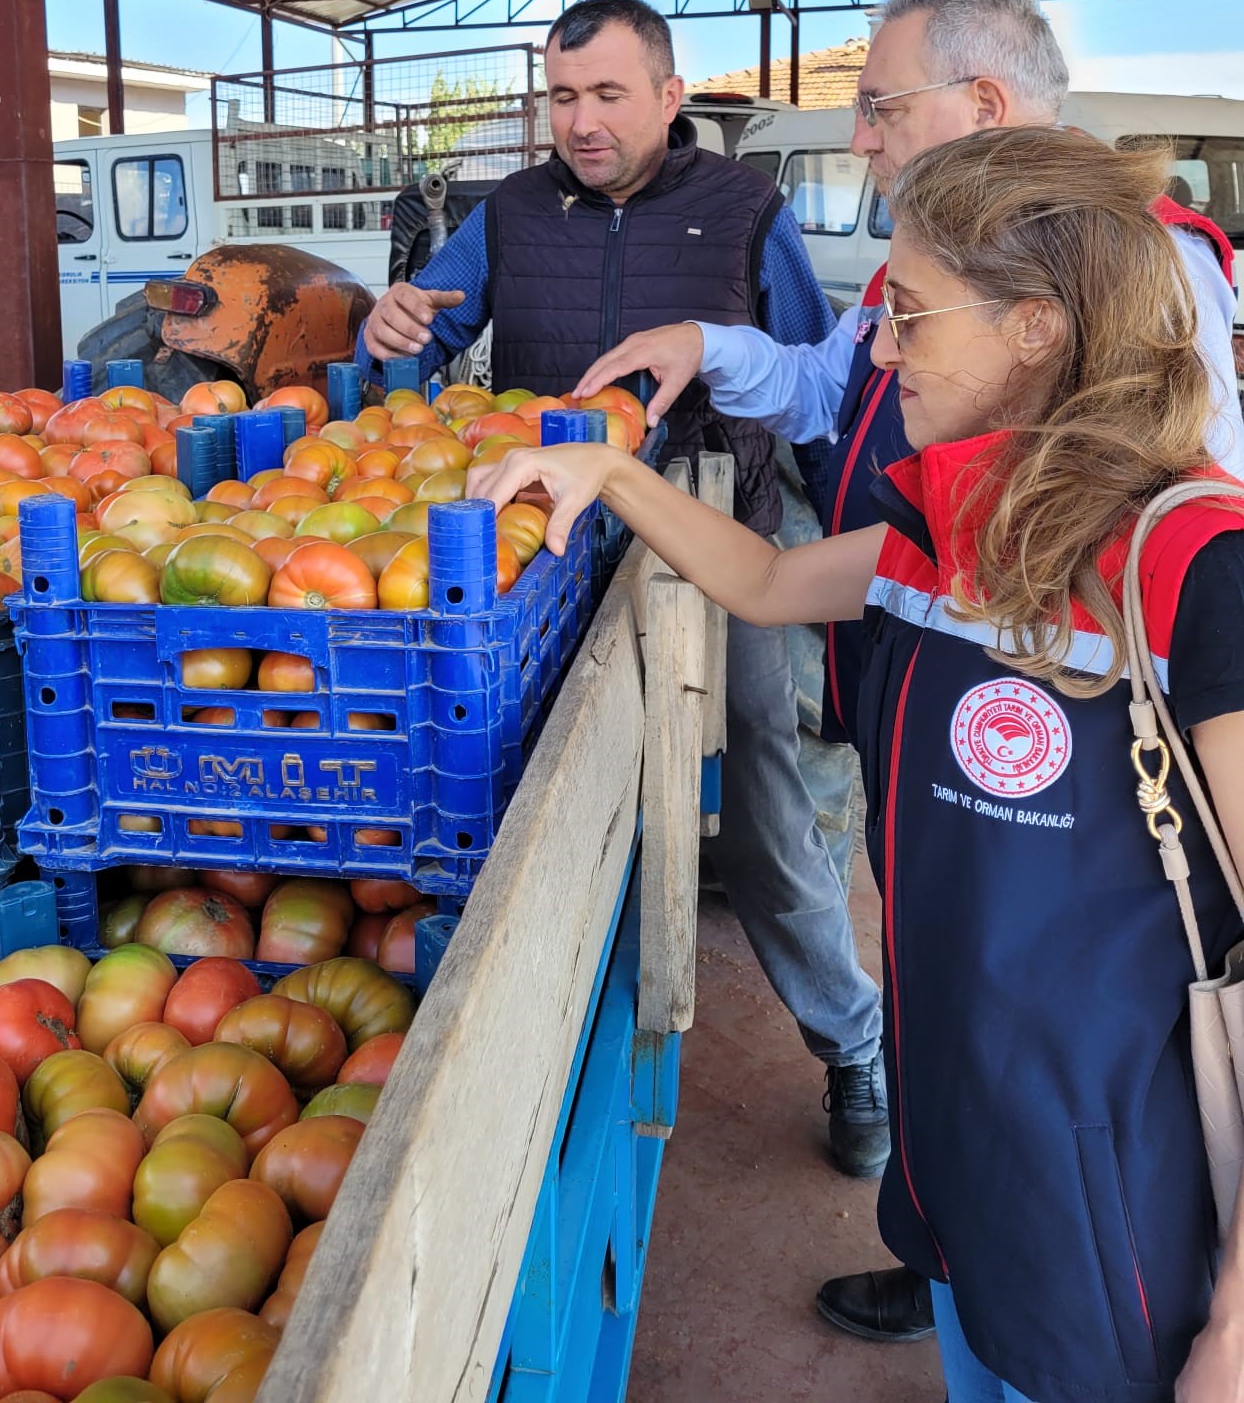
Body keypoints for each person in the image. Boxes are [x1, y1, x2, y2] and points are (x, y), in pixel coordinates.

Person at [471, 124, 1244, 1403]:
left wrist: (1235, 1328)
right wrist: (606, 469)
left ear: (1037, 329)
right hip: (960, 1144)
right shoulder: (944, 533)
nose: (879, 354)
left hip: (1119, 1191)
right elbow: (768, 579)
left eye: (911, 318)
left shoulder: (1192, 571)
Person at [357, 0, 891, 1176]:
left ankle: (854, 1044)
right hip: (541, 567)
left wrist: (856, 565)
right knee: (533, 800)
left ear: (667, 96)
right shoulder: (509, 213)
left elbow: (815, 392)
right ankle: (520, 1045)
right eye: (562, 98)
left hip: (719, 544)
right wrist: (386, 329)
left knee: (761, 798)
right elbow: (409, 348)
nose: (582, 122)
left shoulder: (745, 209)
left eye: (606, 95)